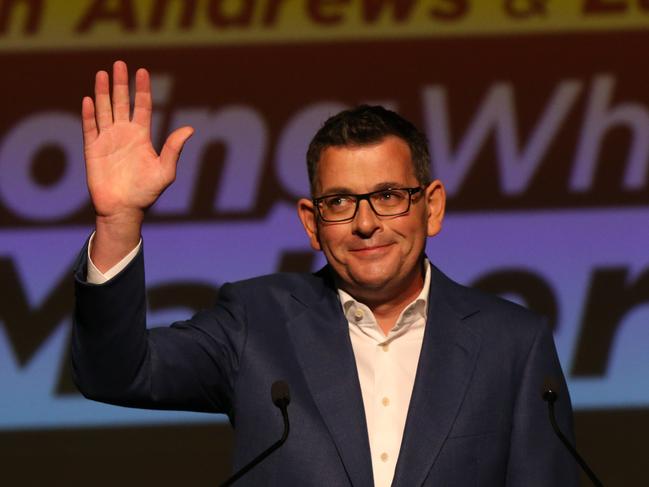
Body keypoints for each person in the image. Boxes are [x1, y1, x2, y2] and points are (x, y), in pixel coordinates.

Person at [72, 61, 578, 486]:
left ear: (432, 207)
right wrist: (119, 222)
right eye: (339, 202)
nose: (364, 223)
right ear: (312, 224)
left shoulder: (512, 342)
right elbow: (116, 373)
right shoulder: (256, 323)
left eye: (387, 196)